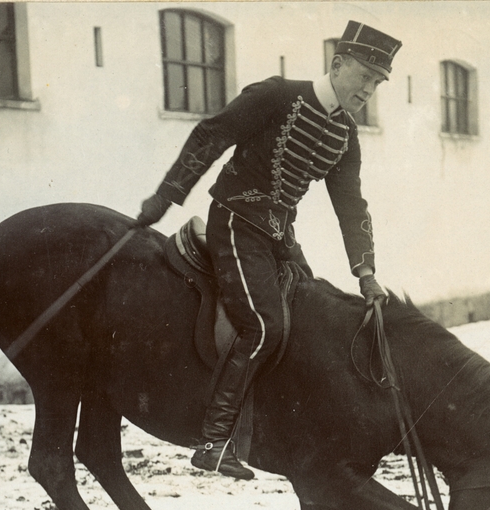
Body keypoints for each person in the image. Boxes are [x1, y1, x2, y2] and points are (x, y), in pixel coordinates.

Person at [136, 20, 402, 480]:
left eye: (377, 82)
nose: (368, 90)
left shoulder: (345, 134)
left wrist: (366, 273)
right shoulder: (277, 95)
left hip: (279, 236)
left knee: (312, 320)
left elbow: (350, 204)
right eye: (365, 76)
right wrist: (166, 196)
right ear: (338, 64)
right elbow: (211, 135)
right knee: (264, 326)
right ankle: (214, 441)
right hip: (235, 221)